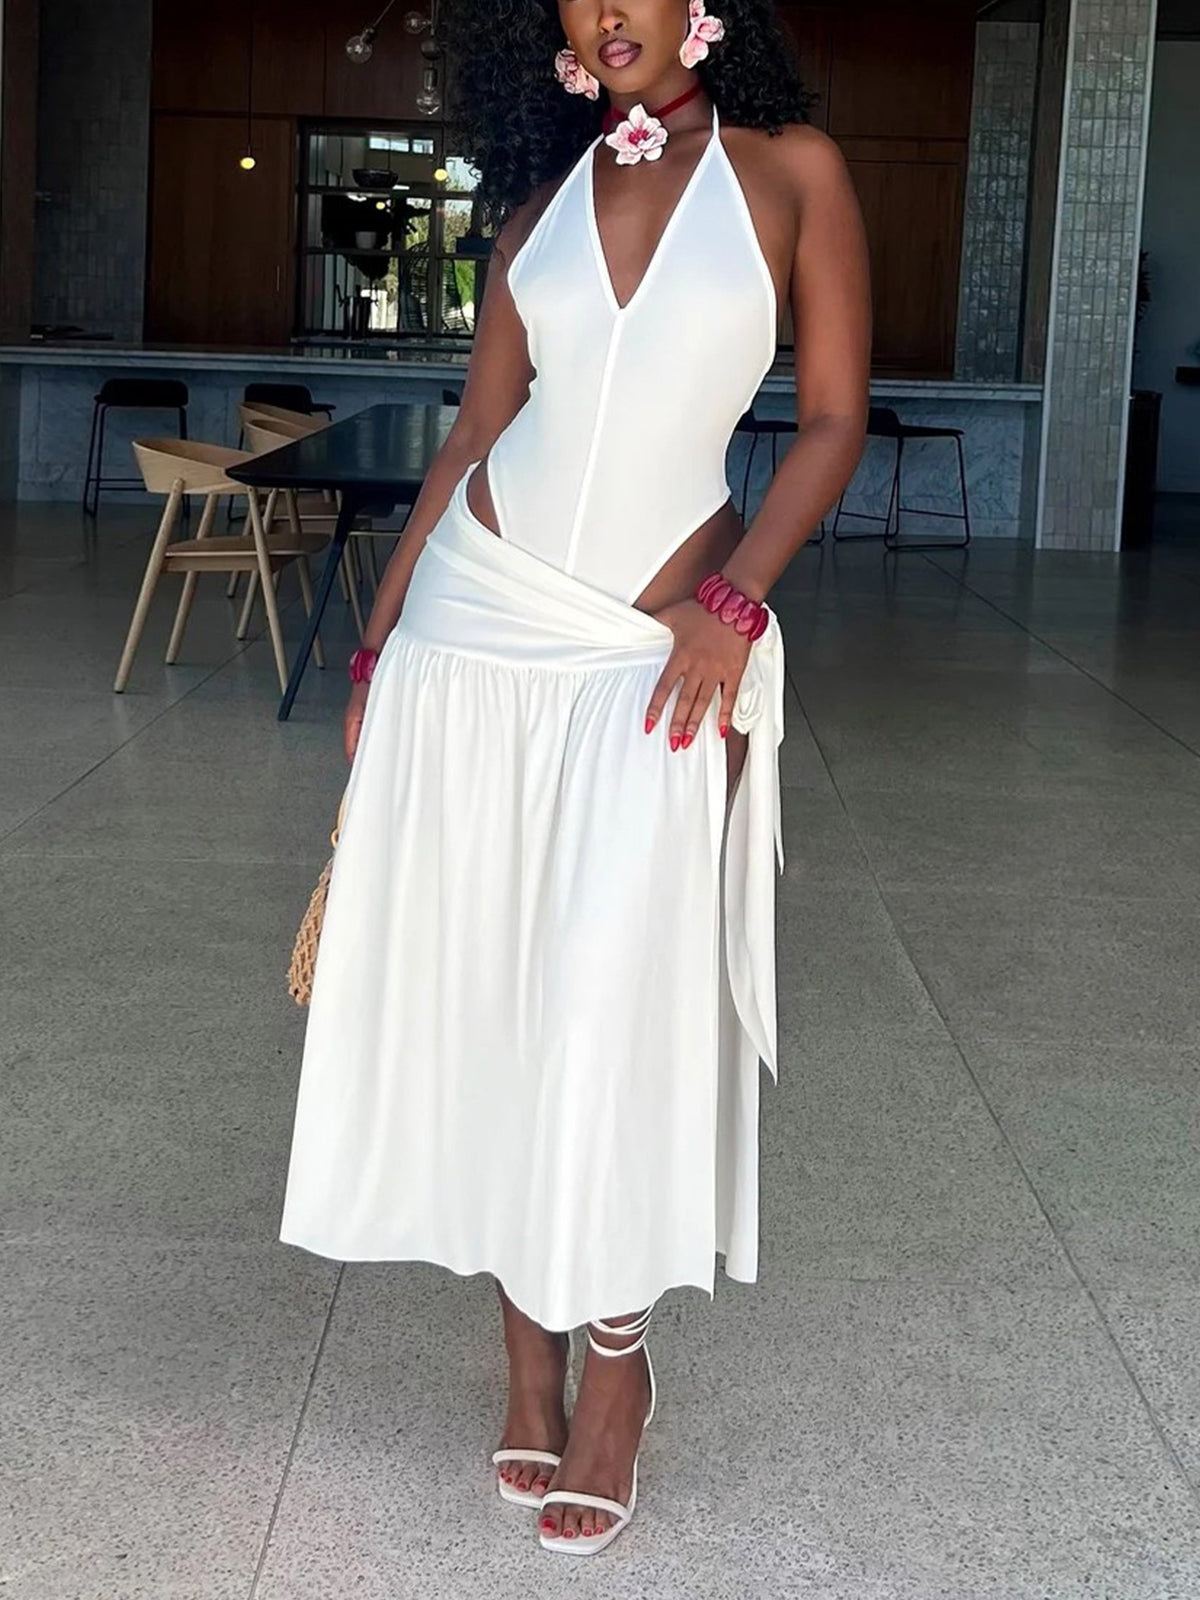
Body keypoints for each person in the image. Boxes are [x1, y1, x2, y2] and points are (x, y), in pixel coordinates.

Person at [280, 0, 870, 1557]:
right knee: (492, 991)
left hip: (649, 645)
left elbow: (830, 420)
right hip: (473, 628)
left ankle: (618, 1360)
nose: (609, 11)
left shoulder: (791, 172)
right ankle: (526, 1360)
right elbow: (478, 433)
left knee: (617, 998)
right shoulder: (534, 209)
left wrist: (736, 602)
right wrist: (378, 646)